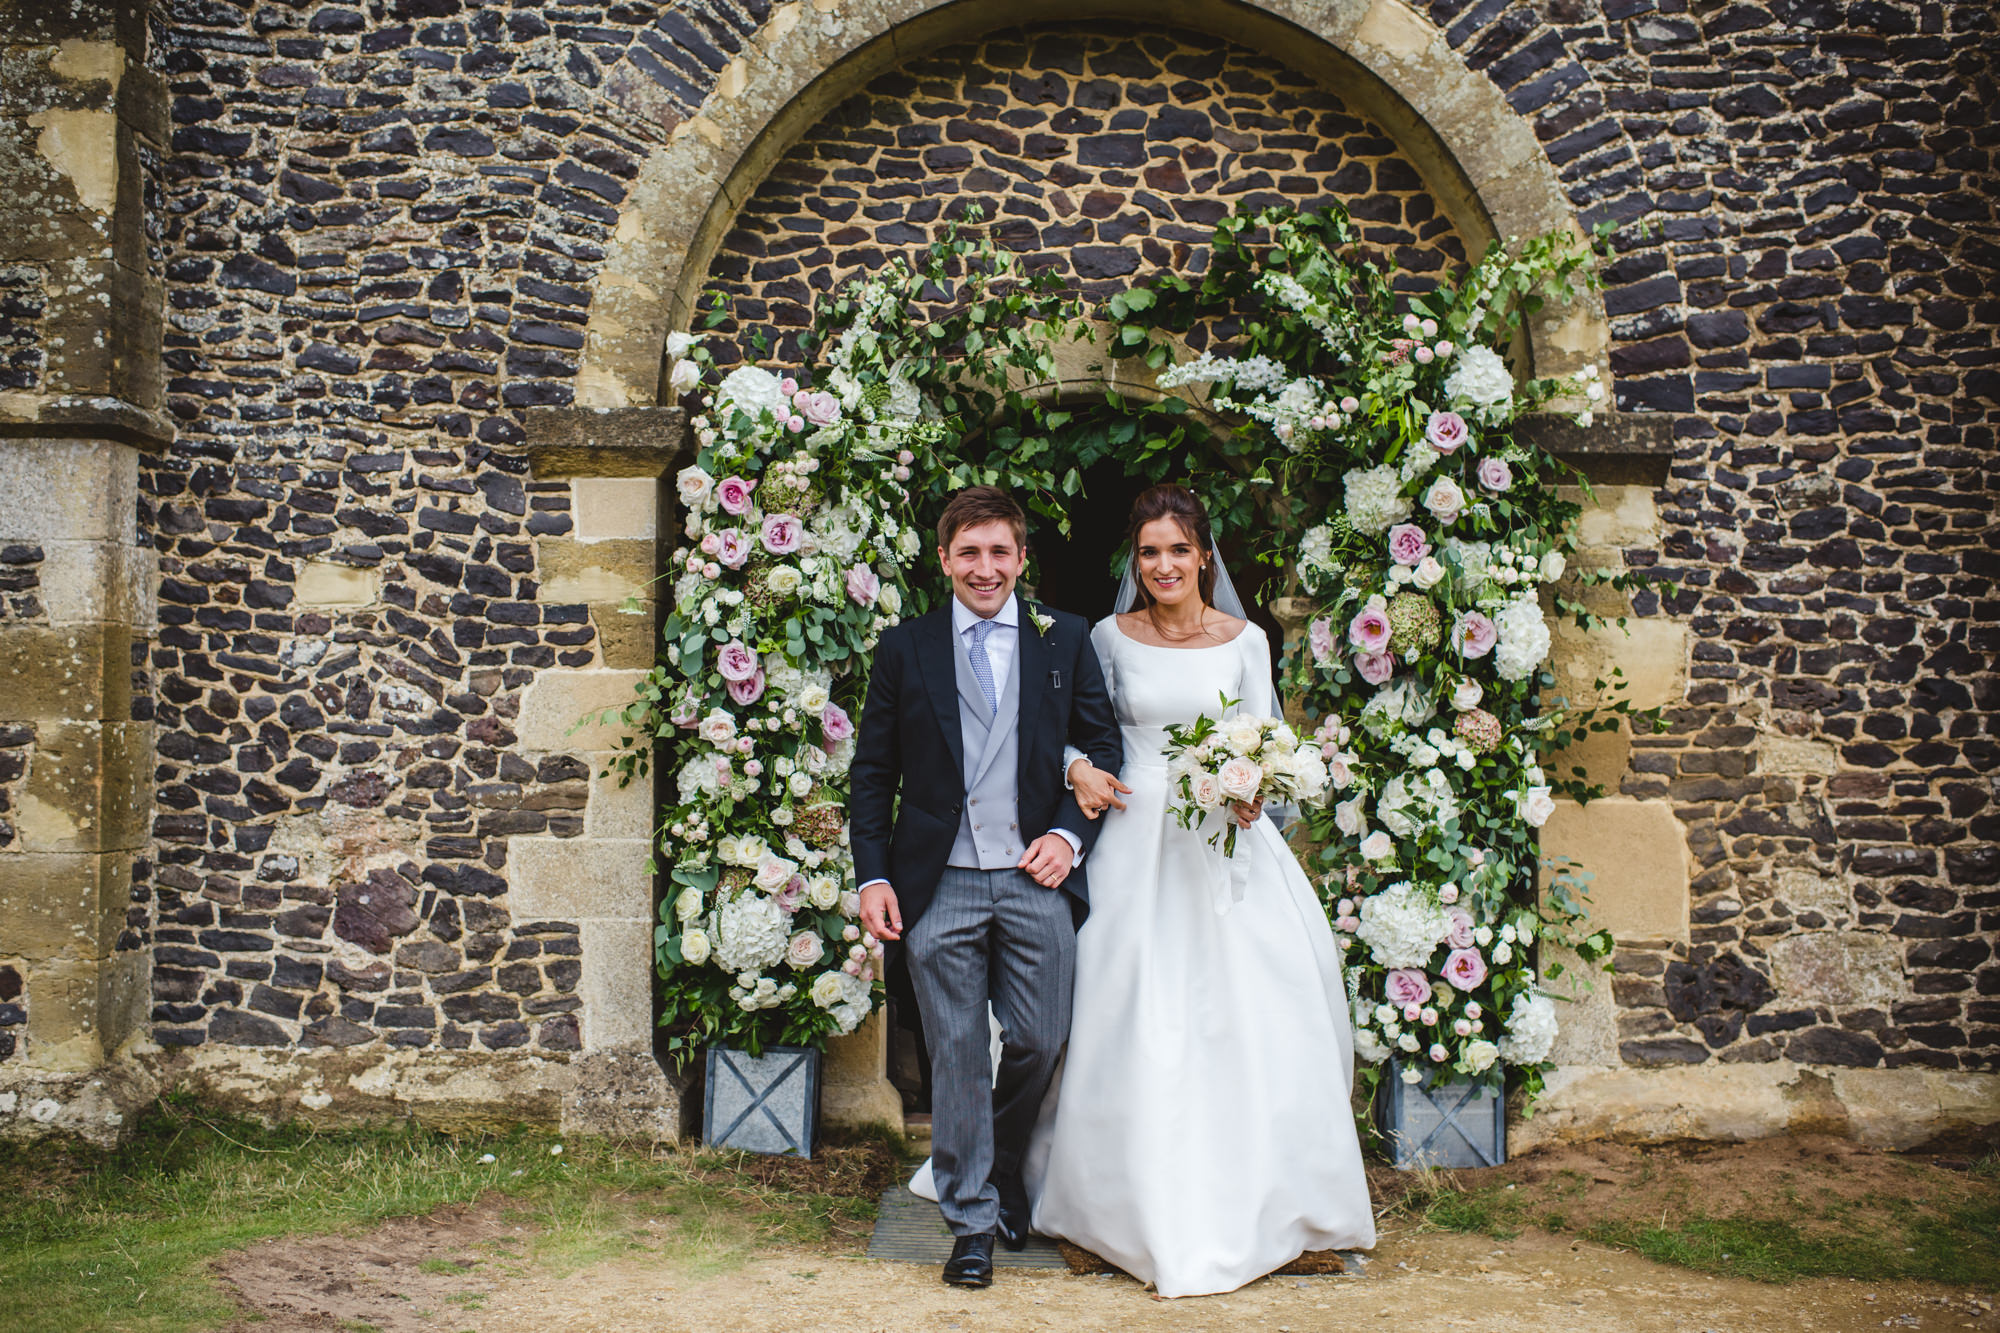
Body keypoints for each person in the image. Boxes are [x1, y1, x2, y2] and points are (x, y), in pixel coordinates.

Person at [1027, 482, 1377, 1297]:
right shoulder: (1109, 638)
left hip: (1226, 841)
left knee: (1261, 1007)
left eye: (1177, 550)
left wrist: (1258, 783)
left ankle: (1284, 1205)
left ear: (1203, 556)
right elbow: (1082, 730)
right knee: (1125, 1005)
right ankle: (1105, 1205)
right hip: (1135, 834)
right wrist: (1079, 767)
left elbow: (1269, 735)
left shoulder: (1246, 639)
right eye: (1149, 552)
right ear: (1135, 560)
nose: (1163, 565)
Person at [849, 485, 1123, 1290]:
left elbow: (1102, 745)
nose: (985, 567)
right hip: (940, 883)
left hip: (1035, 876)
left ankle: (1000, 1164)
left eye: (1000, 551)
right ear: (944, 560)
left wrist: (1070, 836)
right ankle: (970, 1221)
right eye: (969, 552)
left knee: (1041, 1036)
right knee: (958, 1053)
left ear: (1022, 559)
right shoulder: (906, 647)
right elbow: (873, 773)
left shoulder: (1063, 638)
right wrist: (872, 875)